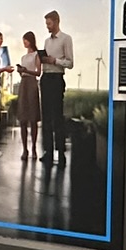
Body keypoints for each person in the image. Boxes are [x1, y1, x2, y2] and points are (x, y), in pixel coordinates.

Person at [40, 9, 73, 163]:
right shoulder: (46, 41)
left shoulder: (66, 39)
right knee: (46, 118)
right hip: (45, 78)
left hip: (57, 79)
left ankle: (61, 154)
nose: (47, 26)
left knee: (57, 117)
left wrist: (55, 61)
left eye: (49, 23)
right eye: (46, 24)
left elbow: (70, 63)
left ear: (56, 22)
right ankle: (48, 152)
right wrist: (43, 60)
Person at [15, 31, 43, 161]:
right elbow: (23, 73)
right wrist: (21, 71)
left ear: (31, 40)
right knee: (23, 118)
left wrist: (27, 71)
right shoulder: (23, 57)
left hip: (32, 84)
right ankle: (25, 149)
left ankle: (34, 148)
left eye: (26, 40)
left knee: (32, 118)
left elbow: (38, 72)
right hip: (24, 83)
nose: (24, 43)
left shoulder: (36, 55)